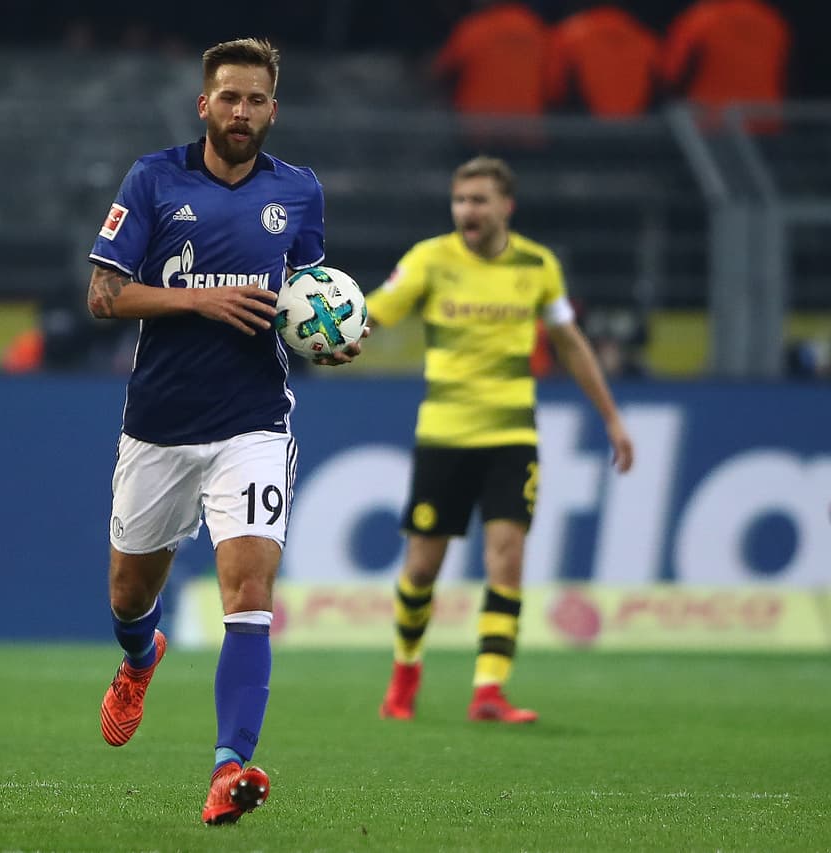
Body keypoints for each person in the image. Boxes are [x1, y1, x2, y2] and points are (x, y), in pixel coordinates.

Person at [85, 37, 363, 825]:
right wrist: (197, 301)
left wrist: (328, 339)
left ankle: (228, 768)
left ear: (275, 109)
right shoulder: (153, 179)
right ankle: (141, 660)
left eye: (256, 100)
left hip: (253, 423)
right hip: (160, 426)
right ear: (203, 104)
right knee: (129, 595)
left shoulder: (299, 193)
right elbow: (104, 294)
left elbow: (305, 299)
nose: (241, 113)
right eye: (229, 98)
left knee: (250, 592)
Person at [366, 156, 633, 724]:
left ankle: (489, 690)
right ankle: (405, 673)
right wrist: (336, 329)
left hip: (512, 434)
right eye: (461, 200)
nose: (468, 210)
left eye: (479, 200)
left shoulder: (538, 266)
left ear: (504, 207)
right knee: (421, 569)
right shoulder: (429, 259)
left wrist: (611, 417)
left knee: (507, 558)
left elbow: (571, 342)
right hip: (444, 433)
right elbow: (376, 313)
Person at [660, 0, 790, 126]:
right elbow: (786, 79)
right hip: (764, 123)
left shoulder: (701, 19)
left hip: (708, 128)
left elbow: (670, 77)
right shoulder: (773, 22)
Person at [432, 0, 550, 116]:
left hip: (476, 129)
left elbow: (437, 73)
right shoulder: (536, 28)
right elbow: (553, 85)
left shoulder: (475, 29)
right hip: (527, 129)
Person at [545, 2, 661, 118]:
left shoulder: (566, 37)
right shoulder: (647, 40)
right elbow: (666, 85)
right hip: (639, 131)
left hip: (580, 130)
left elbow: (552, 91)